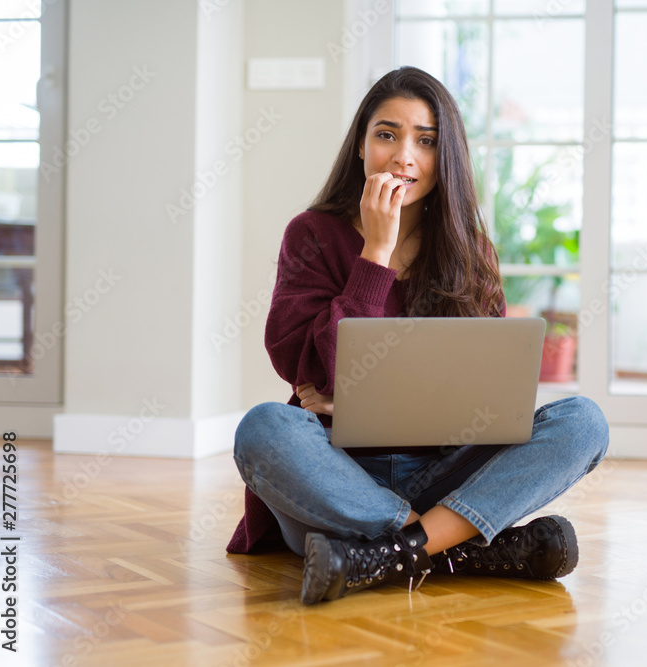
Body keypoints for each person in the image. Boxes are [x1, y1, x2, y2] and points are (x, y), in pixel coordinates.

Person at [228, 66, 610, 605]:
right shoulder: (311, 235)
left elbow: (488, 393)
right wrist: (374, 257)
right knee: (264, 428)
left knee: (583, 421)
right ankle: (454, 546)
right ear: (361, 147)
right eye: (387, 134)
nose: (404, 155)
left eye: (425, 141)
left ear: (444, 157)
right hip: (336, 481)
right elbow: (309, 370)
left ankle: (388, 554)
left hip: (445, 471)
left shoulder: (468, 249)